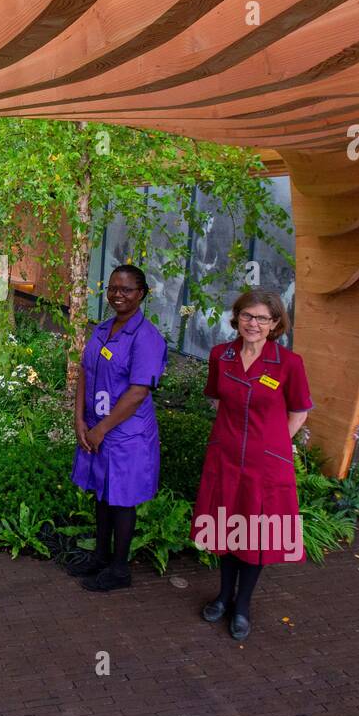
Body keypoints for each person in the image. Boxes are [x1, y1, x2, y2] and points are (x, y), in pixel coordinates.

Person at [192, 290, 313, 642]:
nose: (253, 324)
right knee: (227, 528)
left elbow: (300, 412)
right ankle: (223, 596)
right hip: (225, 458)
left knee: (256, 535)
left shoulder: (289, 364)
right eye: (247, 316)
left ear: (275, 324)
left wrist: (274, 445)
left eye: (262, 318)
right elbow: (216, 399)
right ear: (237, 317)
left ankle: (242, 605)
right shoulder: (221, 357)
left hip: (266, 465)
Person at [67, 265, 168, 592]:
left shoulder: (146, 337)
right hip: (96, 426)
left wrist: (101, 430)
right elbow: (85, 370)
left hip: (126, 434)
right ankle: (100, 556)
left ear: (141, 294)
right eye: (113, 288)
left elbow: (138, 392)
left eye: (126, 290)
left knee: (122, 500)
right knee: (102, 493)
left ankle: (120, 569)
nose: (117, 295)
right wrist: (80, 419)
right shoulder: (102, 329)